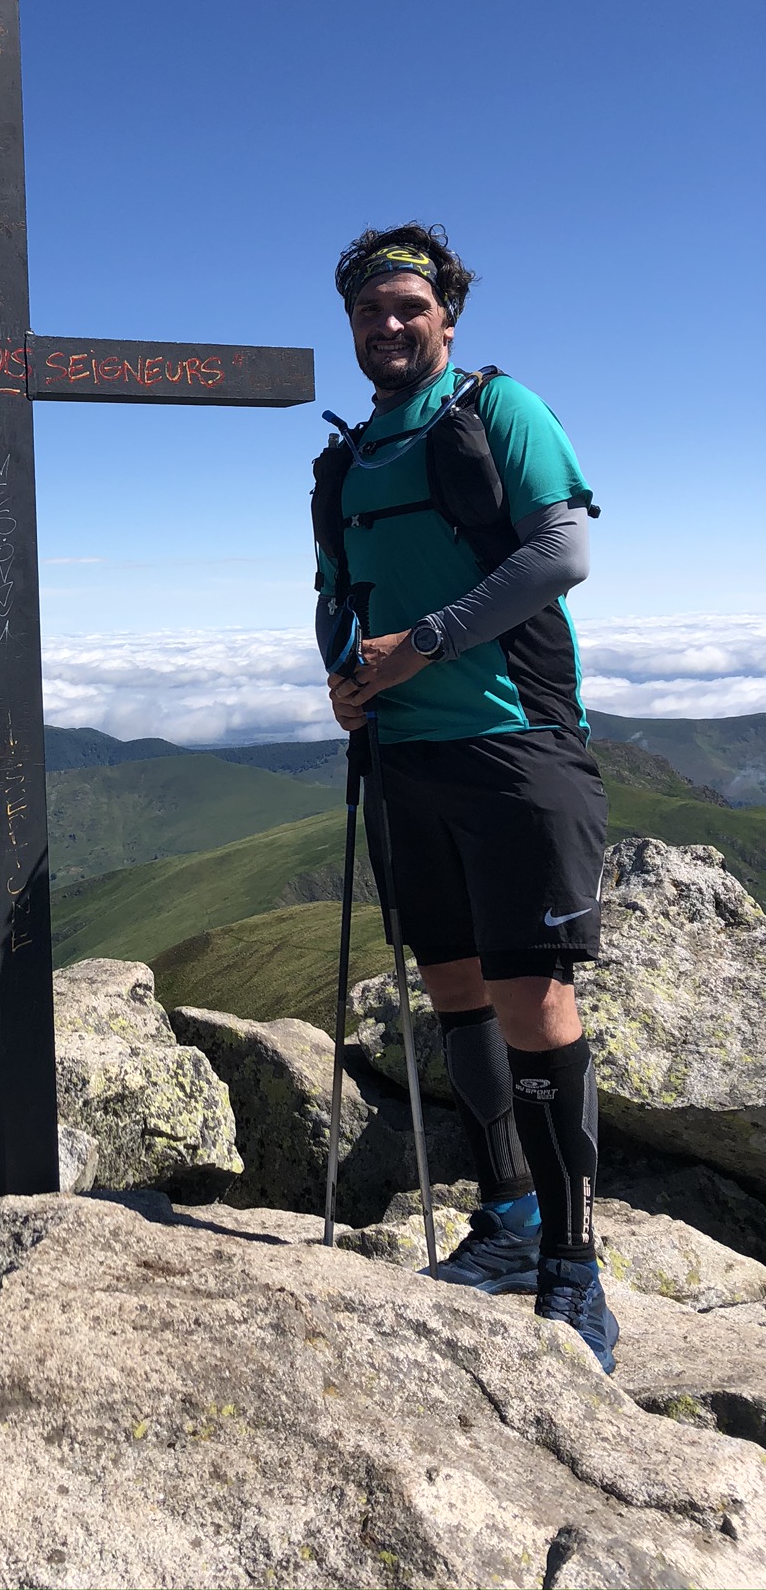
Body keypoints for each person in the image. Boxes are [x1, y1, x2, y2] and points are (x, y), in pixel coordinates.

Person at [312, 222, 618, 1372]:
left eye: (408, 305)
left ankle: (575, 1266)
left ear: (446, 313)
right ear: (351, 325)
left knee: (532, 994)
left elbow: (560, 551)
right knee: (452, 987)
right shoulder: (345, 461)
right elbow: (336, 591)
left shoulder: (500, 409)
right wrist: (346, 677)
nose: (388, 324)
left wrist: (423, 643)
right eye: (369, 310)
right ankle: (510, 1214)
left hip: (513, 745)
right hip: (404, 756)